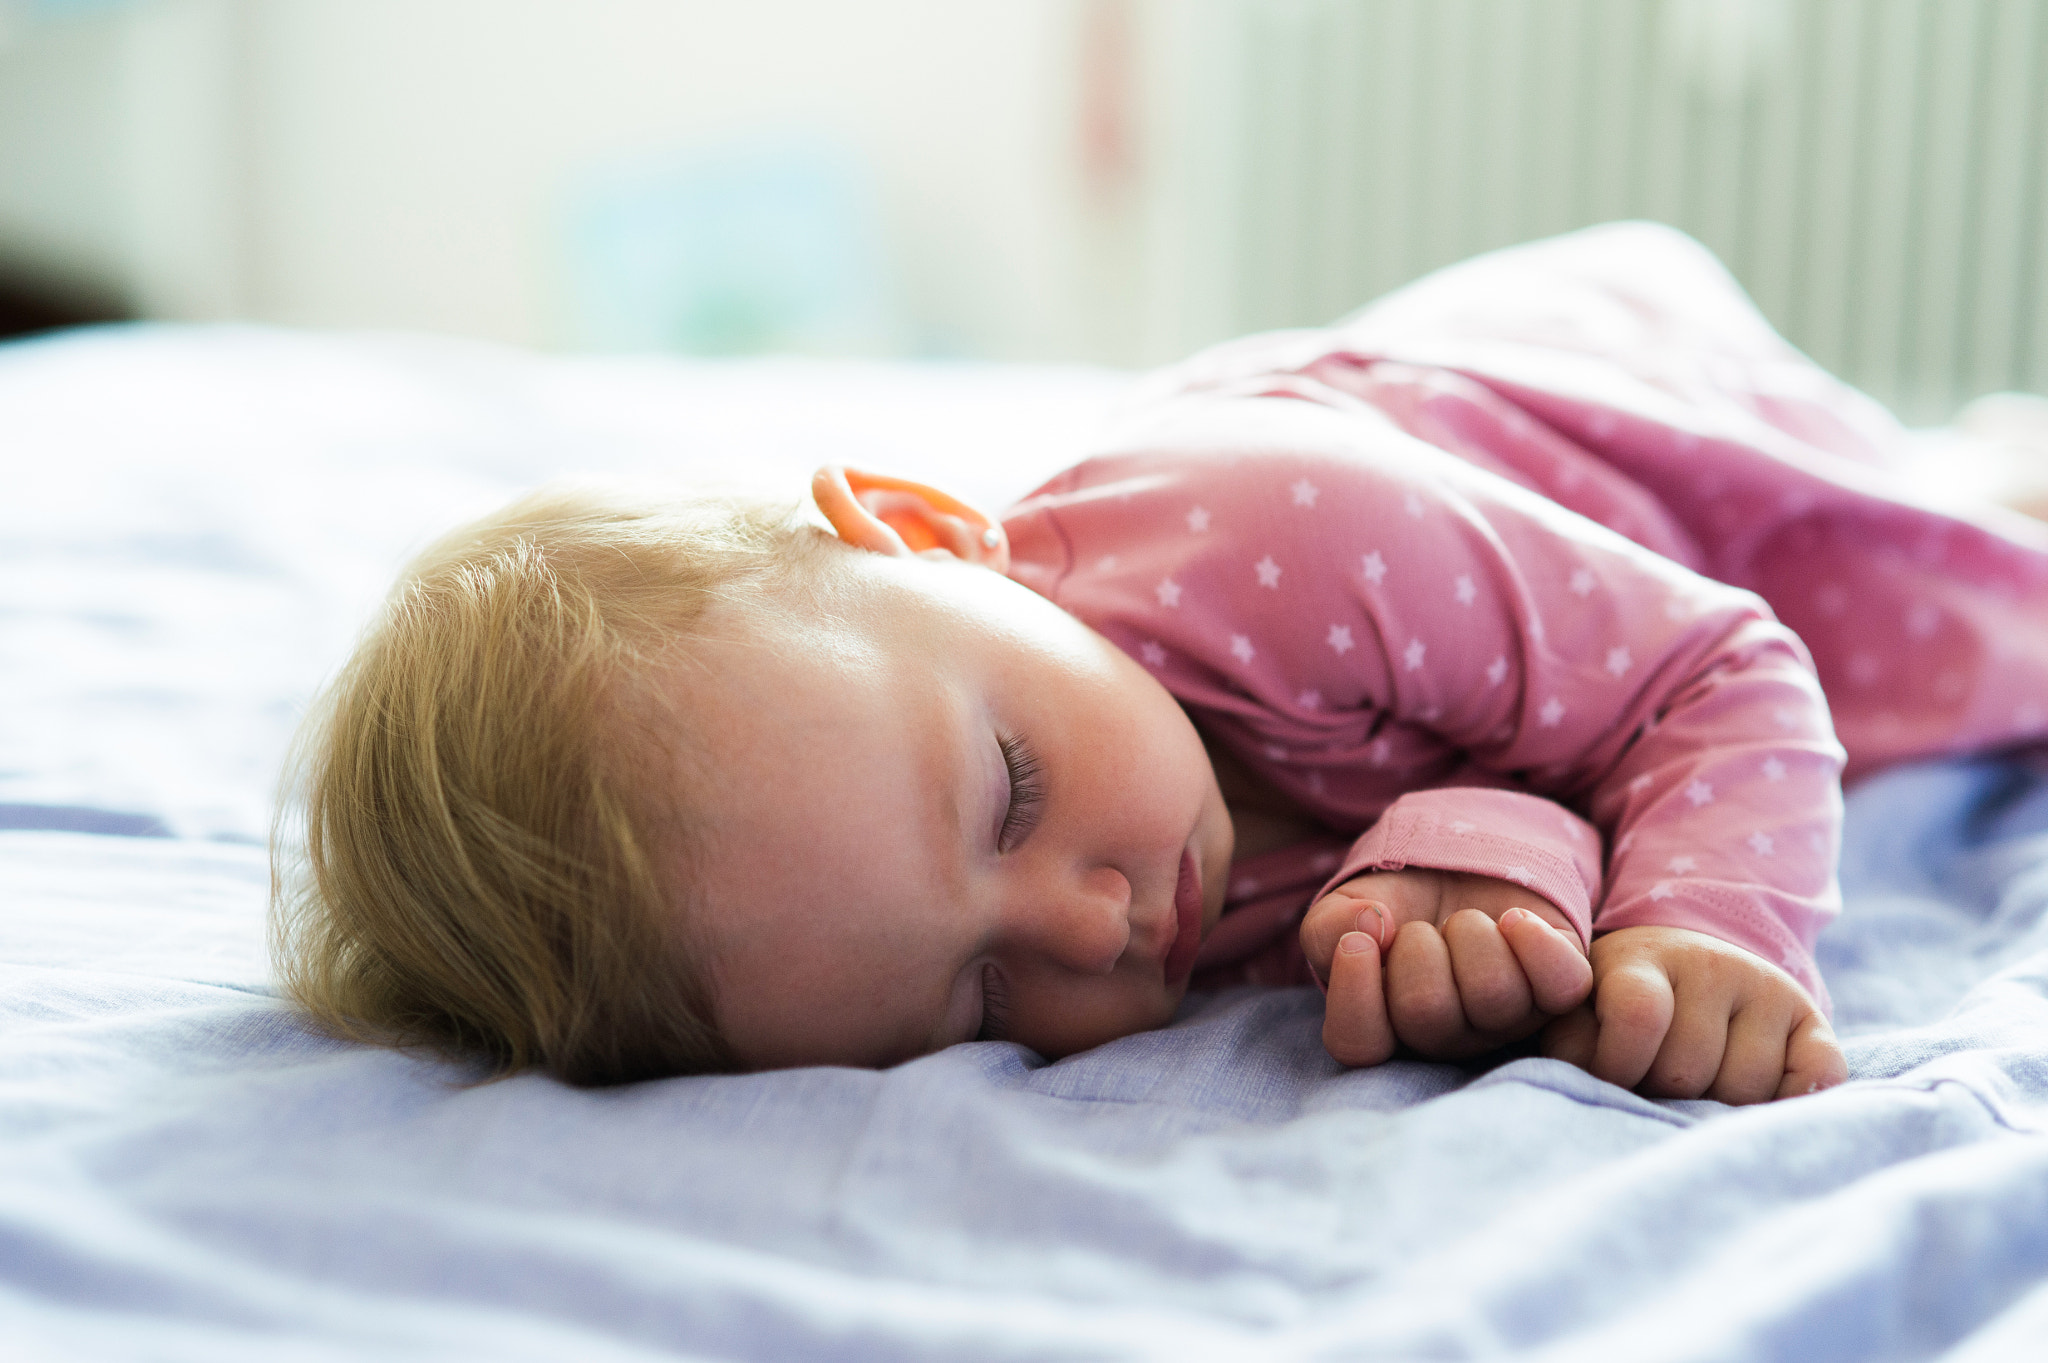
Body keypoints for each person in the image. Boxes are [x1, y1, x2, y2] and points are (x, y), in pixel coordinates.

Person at [273, 223, 2048, 1102]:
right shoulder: (1091, 886)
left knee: (1920, 565)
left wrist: (1707, 929)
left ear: (927, 531)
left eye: (1009, 790)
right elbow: (1523, 762)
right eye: (973, 1003)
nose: (1088, 925)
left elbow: (1705, 670)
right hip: (1477, 647)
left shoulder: (1285, 533)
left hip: (1575, 449)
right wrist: (1477, 873)